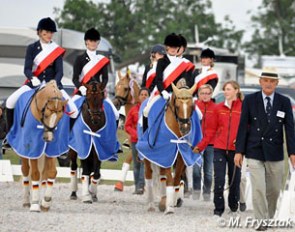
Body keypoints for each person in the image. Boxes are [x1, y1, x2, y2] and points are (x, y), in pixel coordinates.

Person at [234, 67, 295, 231]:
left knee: (274, 190)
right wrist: (239, 151)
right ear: (260, 82)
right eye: (265, 80)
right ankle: (261, 222)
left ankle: (269, 217)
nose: (268, 84)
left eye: (272, 81)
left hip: (275, 152)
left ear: (276, 83)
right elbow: (242, 127)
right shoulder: (250, 100)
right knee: (259, 188)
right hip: (254, 150)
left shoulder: (284, 101)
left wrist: (292, 153)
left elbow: (290, 128)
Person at [5, 17, 78, 132]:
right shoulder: (32, 48)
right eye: (46, 32)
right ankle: (10, 135)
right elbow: (27, 69)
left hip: (53, 84)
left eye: (51, 32)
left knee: (74, 111)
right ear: (39, 32)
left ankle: (68, 137)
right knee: (10, 101)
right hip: (35, 82)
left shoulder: (56, 50)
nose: (49, 35)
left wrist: (54, 82)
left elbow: (60, 71)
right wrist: (32, 78)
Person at [205, 80, 243, 218]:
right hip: (219, 148)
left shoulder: (243, 108)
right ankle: (218, 208)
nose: (226, 92)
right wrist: (201, 145)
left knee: (234, 180)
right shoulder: (218, 108)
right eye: (225, 89)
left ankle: (233, 206)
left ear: (236, 90)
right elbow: (211, 130)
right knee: (219, 179)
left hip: (236, 151)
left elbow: (247, 129)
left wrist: (241, 144)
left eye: (228, 89)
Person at [191, 84, 216, 201]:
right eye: (202, 93)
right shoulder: (194, 107)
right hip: (197, 144)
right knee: (196, 170)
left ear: (211, 94)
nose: (205, 95)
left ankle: (207, 194)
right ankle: (196, 192)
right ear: (199, 95)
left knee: (208, 171)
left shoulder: (216, 108)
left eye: (207, 93)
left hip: (211, 144)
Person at [124, 87, 150, 194]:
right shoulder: (133, 110)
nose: (144, 96)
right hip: (135, 141)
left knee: (144, 162)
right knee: (136, 164)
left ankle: (141, 186)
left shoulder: (151, 109)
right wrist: (136, 134)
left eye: (146, 94)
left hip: (147, 141)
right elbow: (127, 126)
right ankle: (136, 186)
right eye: (142, 94)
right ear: (138, 97)